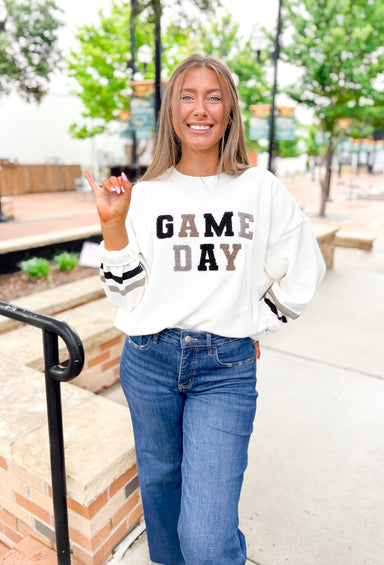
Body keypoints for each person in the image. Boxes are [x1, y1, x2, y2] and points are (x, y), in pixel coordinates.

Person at [84, 53, 326, 565]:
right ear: (171, 112)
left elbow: (304, 269)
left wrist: (256, 321)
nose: (201, 108)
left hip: (225, 370)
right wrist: (113, 226)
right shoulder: (145, 195)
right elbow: (124, 294)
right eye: (187, 96)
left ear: (230, 111)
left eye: (213, 96)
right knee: (160, 483)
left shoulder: (259, 189)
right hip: (149, 360)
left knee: (207, 538)